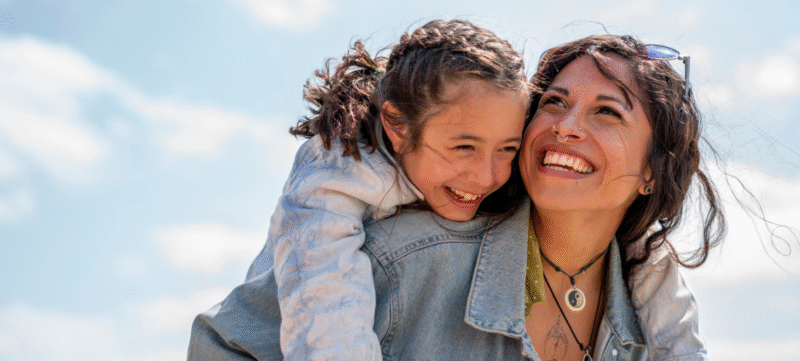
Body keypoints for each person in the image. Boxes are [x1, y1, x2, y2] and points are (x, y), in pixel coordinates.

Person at [188, 34, 721, 361]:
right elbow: (225, 344)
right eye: (553, 103)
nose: (565, 127)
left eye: (607, 111)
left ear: (654, 170)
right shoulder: (398, 258)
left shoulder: (647, 316)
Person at [240, 19, 530, 361]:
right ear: (399, 127)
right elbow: (328, 315)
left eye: (507, 149)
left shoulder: (458, 170)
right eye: (464, 148)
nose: (486, 177)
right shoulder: (333, 178)